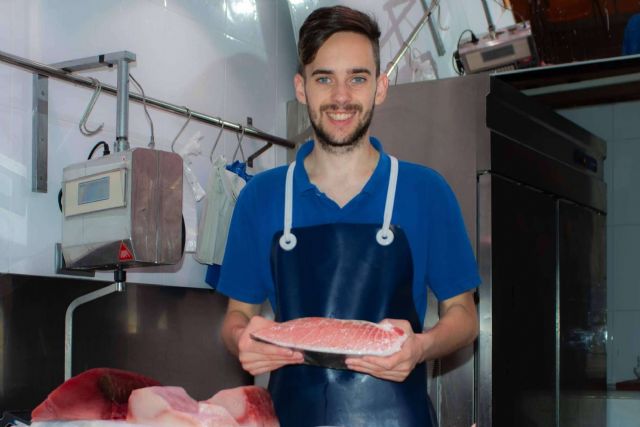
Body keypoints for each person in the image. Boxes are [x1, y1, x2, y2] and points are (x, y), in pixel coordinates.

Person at [217, 5, 480, 427]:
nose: (341, 97)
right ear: (302, 88)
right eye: (325, 79)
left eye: (357, 78)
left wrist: (422, 346)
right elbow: (237, 316)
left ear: (380, 87)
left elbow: (464, 317)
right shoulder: (260, 198)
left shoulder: (426, 191)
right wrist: (239, 340)